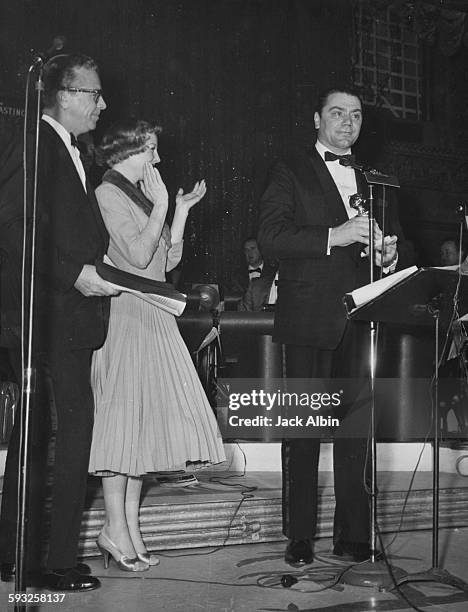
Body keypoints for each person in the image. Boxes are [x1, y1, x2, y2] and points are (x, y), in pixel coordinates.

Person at [258, 86, 413, 566]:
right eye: (337, 113)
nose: (348, 123)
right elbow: (271, 237)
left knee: (355, 435)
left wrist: (390, 254)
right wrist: (335, 234)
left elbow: (402, 246)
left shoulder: (374, 179)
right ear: (317, 118)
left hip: (362, 322)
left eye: (356, 116)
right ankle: (299, 537)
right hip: (308, 319)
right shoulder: (291, 170)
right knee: (302, 434)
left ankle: (353, 536)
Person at [0, 54, 118, 590]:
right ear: (65, 95)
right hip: (49, 319)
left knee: (47, 439)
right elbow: (15, 227)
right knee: (64, 438)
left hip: (63, 320)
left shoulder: (69, 151)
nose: (102, 104)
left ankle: (19, 554)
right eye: (94, 94)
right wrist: (74, 274)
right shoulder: (34, 143)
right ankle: (48, 562)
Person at [88, 118, 225, 571]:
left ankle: (128, 528)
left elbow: (166, 262)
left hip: (152, 312)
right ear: (128, 151)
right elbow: (138, 256)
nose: (158, 159)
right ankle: (113, 528)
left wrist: (178, 210)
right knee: (122, 429)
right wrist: (163, 202)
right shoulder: (108, 193)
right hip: (128, 316)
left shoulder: (136, 195)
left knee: (140, 432)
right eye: (151, 149)